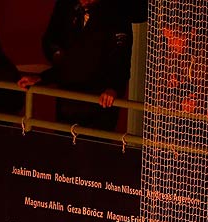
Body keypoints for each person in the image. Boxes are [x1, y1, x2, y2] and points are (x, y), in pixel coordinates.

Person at [18, 0, 135, 132]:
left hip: (99, 103)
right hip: (68, 102)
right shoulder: (70, 9)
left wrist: (113, 88)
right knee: (64, 146)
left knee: (94, 147)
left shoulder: (117, 15)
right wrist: (43, 78)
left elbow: (120, 59)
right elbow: (69, 57)